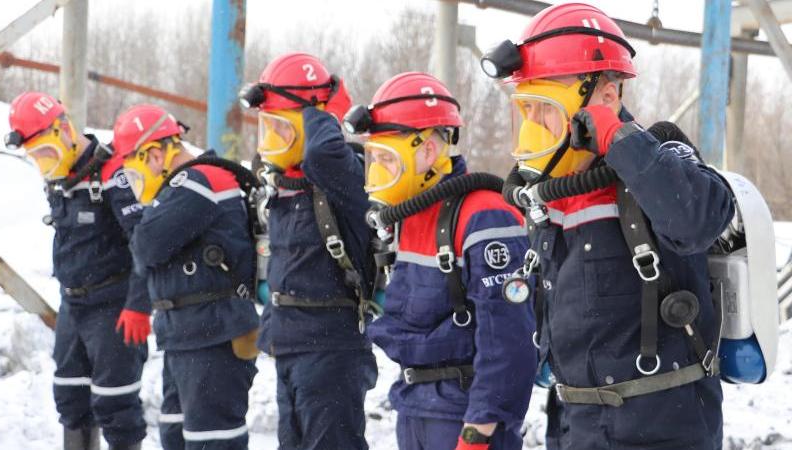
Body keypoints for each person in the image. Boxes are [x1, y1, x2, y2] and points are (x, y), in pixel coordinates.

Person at [481, 3, 735, 449]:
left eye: (544, 109)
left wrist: (618, 137)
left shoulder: (661, 157)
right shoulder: (554, 191)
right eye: (526, 110)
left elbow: (699, 219)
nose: (534, 126)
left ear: (606, 96)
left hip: (662, 429)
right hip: (576, 425)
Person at [345, 72, 538, 450]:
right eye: (374, 158)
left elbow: (508, 338)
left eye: (388, 158)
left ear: (428, 152)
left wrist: (479, 427)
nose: (378, 171)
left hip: (462, 415)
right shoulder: (408, 216)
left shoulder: (485, 215)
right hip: (415, 404)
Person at [240, 52, 378, 450]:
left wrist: (325, 109)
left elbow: (322, 153)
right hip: (291, 343)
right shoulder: (286, 185)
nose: (269, 144)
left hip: (332, 349)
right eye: (266, 129)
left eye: (281, 130)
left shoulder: (344, 175)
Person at [111, 104, 260, 450]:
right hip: (189, 335)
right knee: (177, 436)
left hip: (213, 335)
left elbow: (147, 245)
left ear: (154, 154)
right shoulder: (181, 187)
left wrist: (142, 220)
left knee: (211, 441)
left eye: (134, 170)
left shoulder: (199, 180)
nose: (135, 184)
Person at [5, 92, 148, 450]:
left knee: (116, 405)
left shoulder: (114, 175)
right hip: (74, 304)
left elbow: (145, 245)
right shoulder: (59, 178)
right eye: (35, 156)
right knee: (70, 397)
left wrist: (138, 305)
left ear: (64, 129)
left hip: (113, 304)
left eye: (46, 152)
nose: (43, 163)